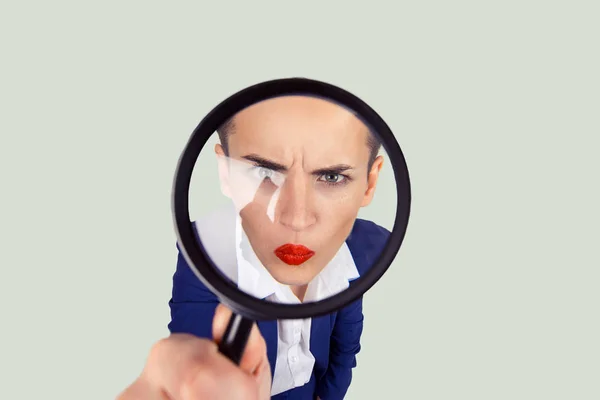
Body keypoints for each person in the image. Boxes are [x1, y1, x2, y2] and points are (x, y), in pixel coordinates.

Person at [168, 95, 391, 399]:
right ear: (226, 174)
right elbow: (193, 368)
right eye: (264, 172)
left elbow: (345, 350)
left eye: (331, 176)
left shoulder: (365, 251)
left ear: (369, 183)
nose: (297, 219)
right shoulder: (206, 251)